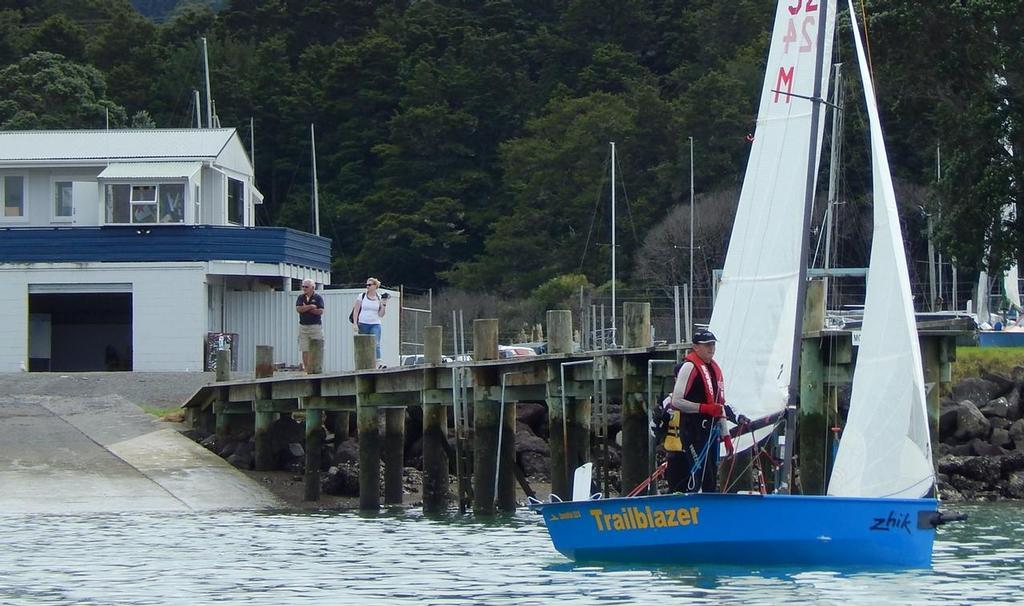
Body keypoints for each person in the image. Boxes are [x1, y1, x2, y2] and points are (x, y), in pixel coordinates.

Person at [656, 328, 748, 493]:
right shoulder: (689, 367)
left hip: (709, 433)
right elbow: (677, 401)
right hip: (691, 433)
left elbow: (719, 406)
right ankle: (686, 508)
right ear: (696, 347)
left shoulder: (714, 370)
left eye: (713, 344)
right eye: (707, 345)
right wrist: (704, 408)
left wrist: (726, 437)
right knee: (695, 476)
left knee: (710, 478)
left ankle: (708, 510)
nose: (711, 348)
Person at [351, 277, 389, 368]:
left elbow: (381, 314)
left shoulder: (379, 297)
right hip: (363, 323)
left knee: (376, 343)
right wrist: (355, 323)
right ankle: (364, 363)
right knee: (364, 344)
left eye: (369, 285)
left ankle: (378, 363)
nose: (367, 286)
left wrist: (384, 304)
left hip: (375, 323)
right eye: (366, 285)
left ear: (375, 286)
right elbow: (356, 310)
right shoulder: (362, 296)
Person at [295, 279, 325, 371]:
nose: (304, 288)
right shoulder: (300, 297)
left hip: (315, 326)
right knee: (305, 348)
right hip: (303, 326)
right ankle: (306, 369)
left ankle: (316, 367)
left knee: (317, 347)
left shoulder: (318, 298)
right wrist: (311, 307)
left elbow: (320, 311)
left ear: (312, 287)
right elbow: (299, 309)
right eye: (303, 286)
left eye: (306, 287)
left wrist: (306, 308)